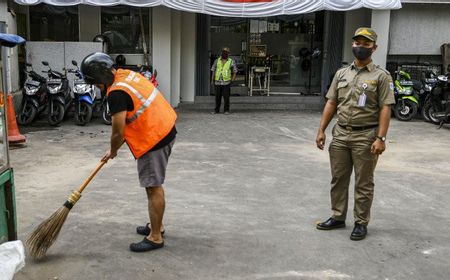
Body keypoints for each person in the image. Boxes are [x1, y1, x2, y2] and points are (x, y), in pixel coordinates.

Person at [81, 52, 177, 252]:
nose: (97, 88)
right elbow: (134, 114)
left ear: (101, 78)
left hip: (154, 138)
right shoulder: (125, 74)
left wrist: (114, 150)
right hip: (163, 126)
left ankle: (156, 237)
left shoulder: (116, 93)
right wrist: (112, 149)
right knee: (153, 185)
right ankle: (157, 225)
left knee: (153, 186)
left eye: (96, 83)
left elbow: (118, 130)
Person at [315, 27, 395, 240]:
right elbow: (332, 102)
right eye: (357, 43)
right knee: (338, 178)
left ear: (374, 48)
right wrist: (321, 130)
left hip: (366, 136)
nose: (360, 47)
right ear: (353, 45)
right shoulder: (342, 73)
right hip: (340, 134)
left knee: (364, 182)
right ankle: (338, 216)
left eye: (366, 44)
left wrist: (381, 138)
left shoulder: (381, 76)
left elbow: (386, 108)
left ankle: (361, 222)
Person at [211, 47, 237, 114]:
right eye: (223, 52)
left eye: (226, 52)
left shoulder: (231, 61)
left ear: (228, 54)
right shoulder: (217, 60)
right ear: (221, 53)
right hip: (217, 82)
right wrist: (212, 80)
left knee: (226, 98)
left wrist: (232, 80)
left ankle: (226, 110)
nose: (224, 53)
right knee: (217, 97)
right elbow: (213, 71)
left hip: (226, 82)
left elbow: (235, 71)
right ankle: (216, 110)